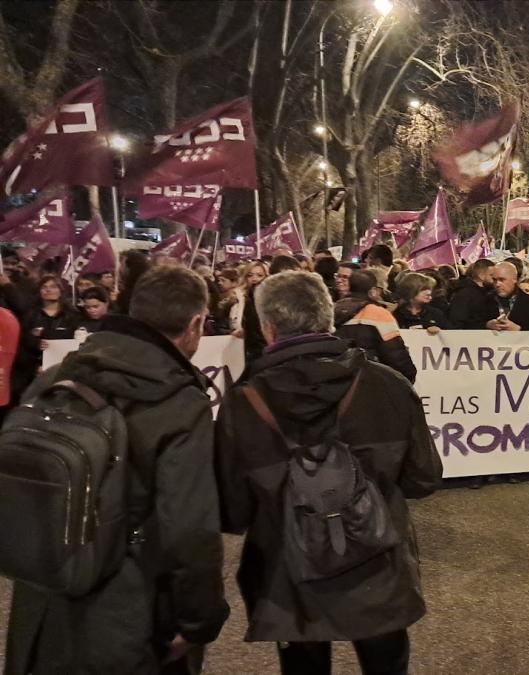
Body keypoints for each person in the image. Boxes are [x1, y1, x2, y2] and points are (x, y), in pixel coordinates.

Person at [215, 271, 441, 674]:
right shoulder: (388, 385)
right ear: (329, 319)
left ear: (268, 328)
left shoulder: (242, 404)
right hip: (377, 563)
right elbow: (423, 479)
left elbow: (233, 510)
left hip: (289, 574)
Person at [6, 266, 229, 674]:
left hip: (42, 605)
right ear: (196, 323)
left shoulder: (57, 377)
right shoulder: (179, 402)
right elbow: (189, 527)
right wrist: (199, 621)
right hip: (128, 613)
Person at [334, 268, 418, 382]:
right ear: (373, 290)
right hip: (368, 380)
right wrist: (409, 375)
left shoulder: (331, 309)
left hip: (336, 379)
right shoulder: (378, 313)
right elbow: (395, 353)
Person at [15, 276, 81, 397]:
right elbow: (22, 343)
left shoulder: (72, 315)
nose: (48, 290)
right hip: (34, 371)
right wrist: (36, 345)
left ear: (60, 290)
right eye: (44, 287)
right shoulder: (30, 315)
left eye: (53, 286)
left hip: (63, 370)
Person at [489, 261, 529, 331]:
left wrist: (519, 329)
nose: (497, 284)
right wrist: (487, 325)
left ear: (514, 279)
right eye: (494, 280)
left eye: (502, 279)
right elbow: (473, 323)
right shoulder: (485, 300)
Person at [447, 259, 496, 329]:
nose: (494, 279)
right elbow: (457, 323)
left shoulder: (487, 293)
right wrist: (485, 325)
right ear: (481, 275)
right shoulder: (464, 295)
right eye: (492, 275)